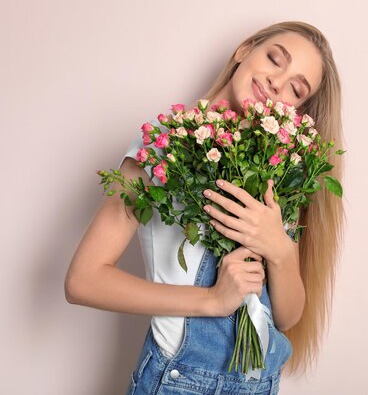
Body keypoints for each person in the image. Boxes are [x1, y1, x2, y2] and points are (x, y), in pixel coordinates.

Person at [65, 20, 345, 395]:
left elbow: (288, 315)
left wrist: (278, 248)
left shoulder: (279, 172)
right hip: (181, 383)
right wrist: (212, 299)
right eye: (275, 59)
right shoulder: (162, 151)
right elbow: (84, 280)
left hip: (261, 385)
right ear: (244, 49)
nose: (278, 82)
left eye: (296, 89)